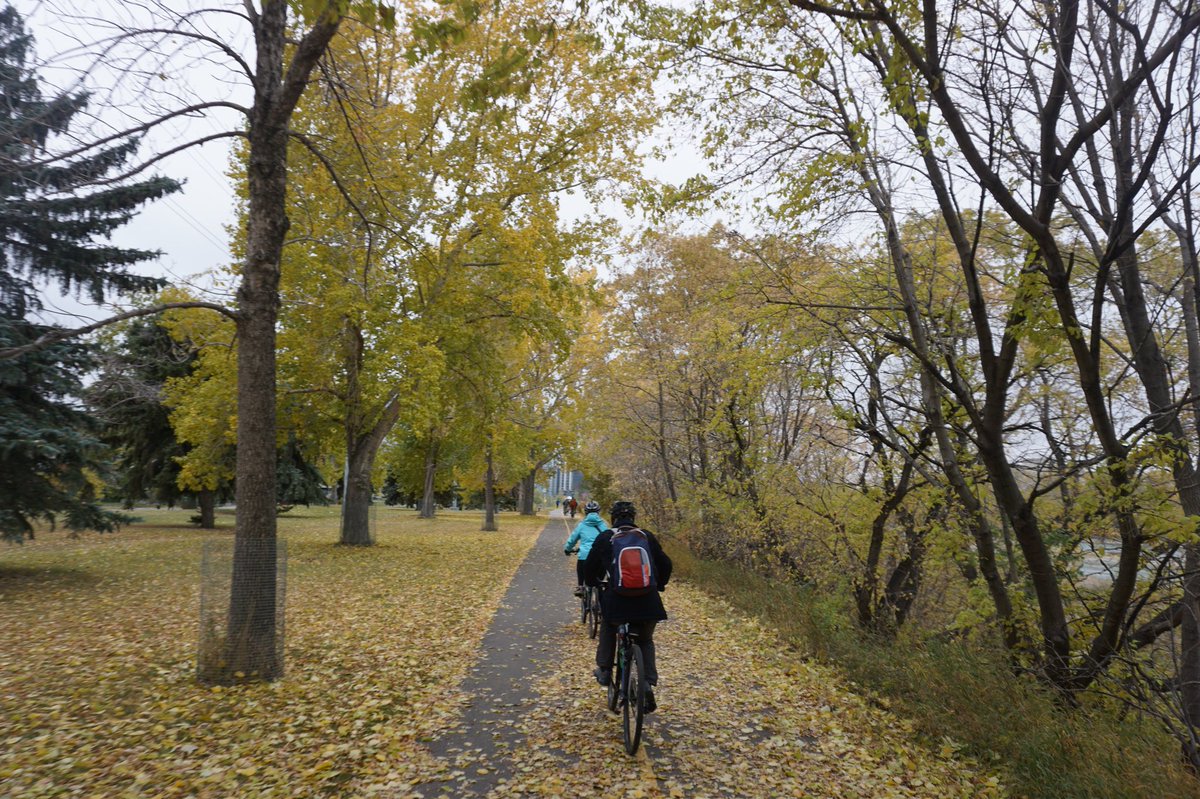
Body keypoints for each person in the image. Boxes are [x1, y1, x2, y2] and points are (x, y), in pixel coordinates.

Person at [584, 500, 672, 714]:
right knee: (645, 640)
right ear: (633, 517)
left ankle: (604, 670)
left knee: (608, 627)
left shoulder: (606, 537)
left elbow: (589, 566)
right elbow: (666, 564)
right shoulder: (646, 536)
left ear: (613, 518)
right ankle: (647, 682)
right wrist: (659, 585)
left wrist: (594, 583)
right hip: (648, 602)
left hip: (617, 602)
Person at [564, 500, 607, 597]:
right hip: (600, 558)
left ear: (586, 512)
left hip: (585, 557)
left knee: (581, 561)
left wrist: (567, 549)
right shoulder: (604, 525)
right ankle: (600, 605)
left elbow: (572, 540)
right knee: (599, 583)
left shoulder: (582, 525)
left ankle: (581, 586)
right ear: (598, 512)